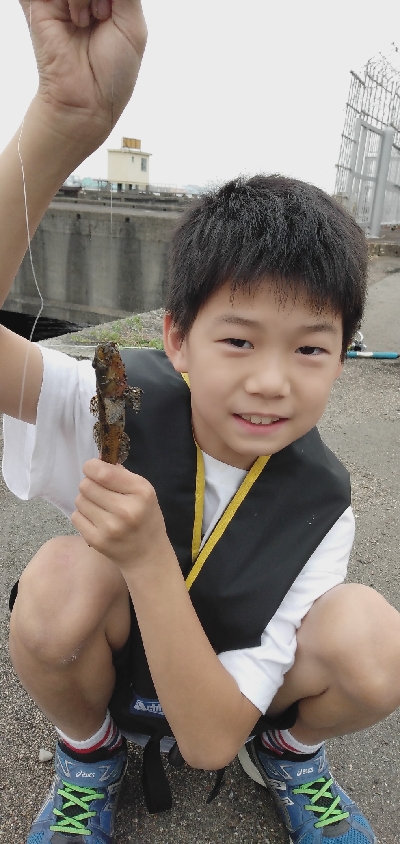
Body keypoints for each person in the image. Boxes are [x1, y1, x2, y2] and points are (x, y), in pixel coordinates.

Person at [2, 2, 400, 843]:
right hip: (123, 655)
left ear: (343, 354)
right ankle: (90, 752)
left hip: (223, 702)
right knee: (53, 587)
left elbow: (210, 743)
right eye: (238, 339)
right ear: (176, 338)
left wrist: (147, 556)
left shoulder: (324, 501)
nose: (270, 381)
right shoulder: (112, 393)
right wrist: (61, 122)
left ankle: (291, 753)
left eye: (311, 349)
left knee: (375, 642)